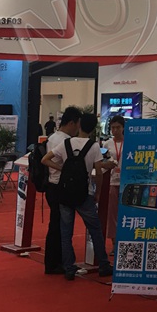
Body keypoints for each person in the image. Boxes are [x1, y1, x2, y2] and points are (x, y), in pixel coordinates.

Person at [42, 113, 113, 281]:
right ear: (93, 128)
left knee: (66, 232)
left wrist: (63, 169)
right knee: (95, 229)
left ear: (79, 124)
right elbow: (98, 173)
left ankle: (69, 268)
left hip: (65, 193)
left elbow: (45, 160)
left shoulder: (66, 143)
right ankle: (103, 264)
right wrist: (97, 193)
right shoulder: (94, 146)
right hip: (84, 194)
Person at [42, 106, 81, 275]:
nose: (78, 128)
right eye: (77, 124)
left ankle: (55, 261)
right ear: (72, 123)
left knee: (56, 225)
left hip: (52, 185)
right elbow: (50, 161)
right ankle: (54, 263)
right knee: (59, 226)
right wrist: (64, 170)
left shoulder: (53, 137)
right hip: (59, 186)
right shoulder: (65, 141)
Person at [102, 114, 125, 252]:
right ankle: (114, 243)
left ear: (123, 128)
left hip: (126, 182)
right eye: (113, 128)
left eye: (118, 127)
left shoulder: (130, 142)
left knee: (125, 212)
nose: (115, 130)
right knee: (112, 214)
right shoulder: (107, 144)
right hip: (112, 181)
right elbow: (102, 162)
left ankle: (124, 241)